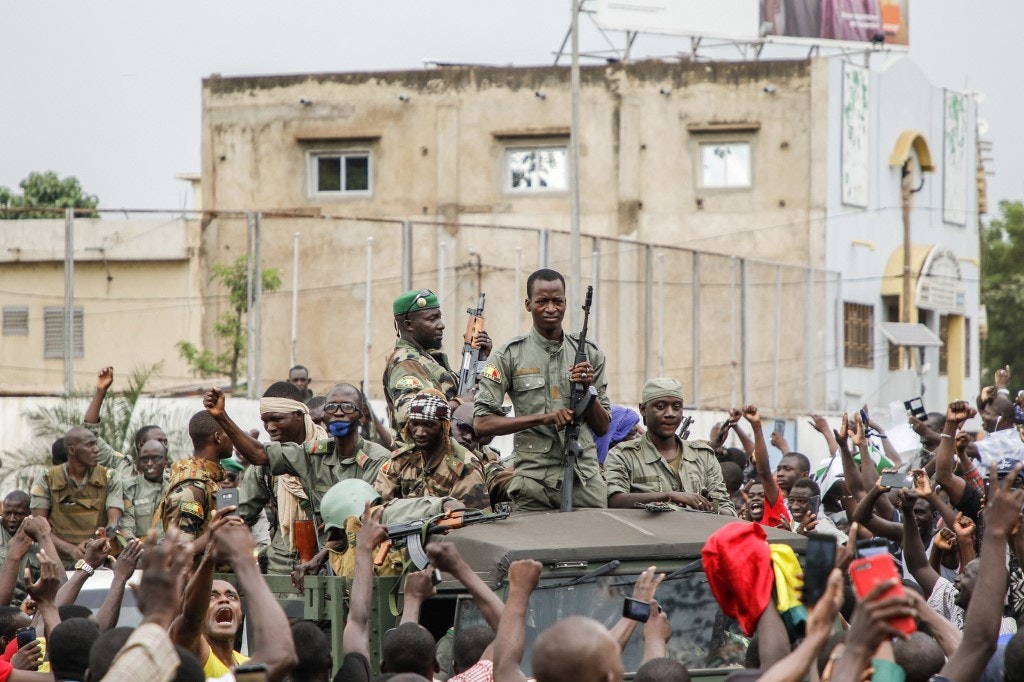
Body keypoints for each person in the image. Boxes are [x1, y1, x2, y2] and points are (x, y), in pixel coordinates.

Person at [474, 269, 611, 511]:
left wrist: (589, 391)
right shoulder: (508, 355)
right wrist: (543, 418)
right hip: (534, 484)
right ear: (528, 305)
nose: (551, 308)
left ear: (566, 303)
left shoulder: (590, 353)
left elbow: (602, 427)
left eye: (557, 301)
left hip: (585, 482)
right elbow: (482, 424)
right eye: (542, 301)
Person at [206, 383, 390, 543]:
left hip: (359, 558)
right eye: (332, 407)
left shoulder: (378, 458)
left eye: (347, 407)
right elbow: (259, 454)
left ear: (361, 414)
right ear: (325, 414)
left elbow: (366, 519)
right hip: (319, 558)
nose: (338, 413)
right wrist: (221, 416)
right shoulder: (313, 454)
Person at [603, 378, 735, 515]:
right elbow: (613, 500)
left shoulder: (703, 456)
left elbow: (728, 509)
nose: (670, 413)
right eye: (660, 406)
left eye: (677, 407)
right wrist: (669, 496)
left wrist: (706, 508)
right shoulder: (623, 455)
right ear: (643, 409)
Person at [236, 381, 327, 575]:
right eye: (265, 421)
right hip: (282, 567)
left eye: (276, 419)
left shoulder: (328, 455)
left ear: (298, 416)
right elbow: (242, 516)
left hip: (328, 564)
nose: (270, 427)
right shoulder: (263, 466)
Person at [383, 288, 491, 435]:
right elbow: (409, 416)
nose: (441, 325)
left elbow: (463, 391)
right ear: (409, 325)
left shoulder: (427, 358)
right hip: (422, 457)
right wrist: (459, 403)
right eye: (432, 319)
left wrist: (481, 358)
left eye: (439, 317)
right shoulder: (406, 363)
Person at [375, 390, 490, 510]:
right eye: (414, 424)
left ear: (444, 426)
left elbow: (472, 520)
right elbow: (377, 510)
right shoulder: (401, 460)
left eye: (429, 425)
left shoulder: (465, 467)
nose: (420, 433)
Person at [30, 427, 124, 567]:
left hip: (98, 562)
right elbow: (39, 528)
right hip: (56, 564)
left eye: (95, 444)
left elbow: (115, 522)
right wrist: (71, 549)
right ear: (72, 450)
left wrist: (96, 544)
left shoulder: (110, 477)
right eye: (89, 445)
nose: (96, 449)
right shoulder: (47, 478)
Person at [154, 411, 233, 546]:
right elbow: (181, 550)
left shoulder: (208, 479)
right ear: (218, 437)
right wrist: (218, 532)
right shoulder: (191, 487)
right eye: (230, 433)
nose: (234, 439)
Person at [119, 439, 170, 539]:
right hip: (141, 550)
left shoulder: (175, 486)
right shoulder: (129, 488)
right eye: (144, 459)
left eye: (155, 458)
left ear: (165, 461)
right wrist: (132, 545)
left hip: (171, 550)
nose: (149, 463)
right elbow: (126, 523)